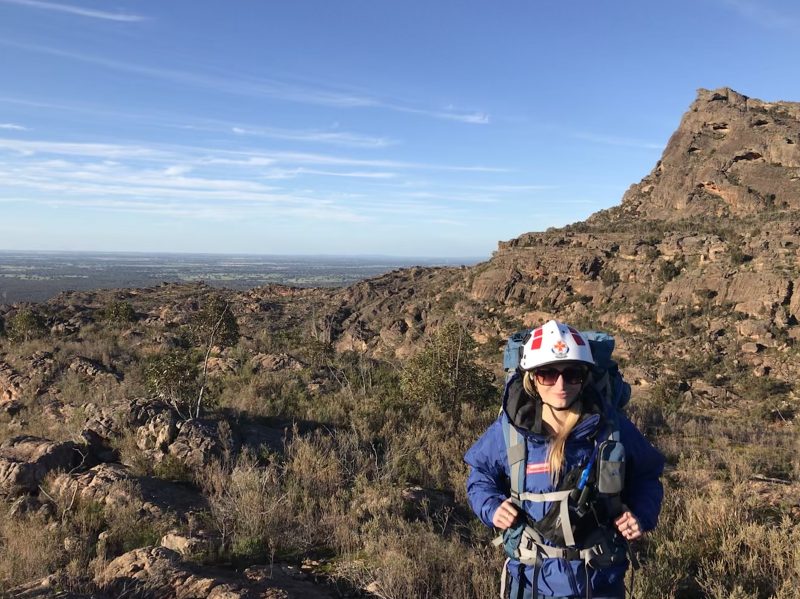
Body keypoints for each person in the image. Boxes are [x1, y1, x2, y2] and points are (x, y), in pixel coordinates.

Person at [465, 320, 664, 599]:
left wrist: (640, 514)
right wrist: (491, 506)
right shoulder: (510, 432)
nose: (560, 385)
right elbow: (480, 476)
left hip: (600, 581)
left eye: (572, 374)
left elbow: (646, 476)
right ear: (532, 378)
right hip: (530, 581)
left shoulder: (611, 428)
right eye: (547, 374)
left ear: (584, 378)